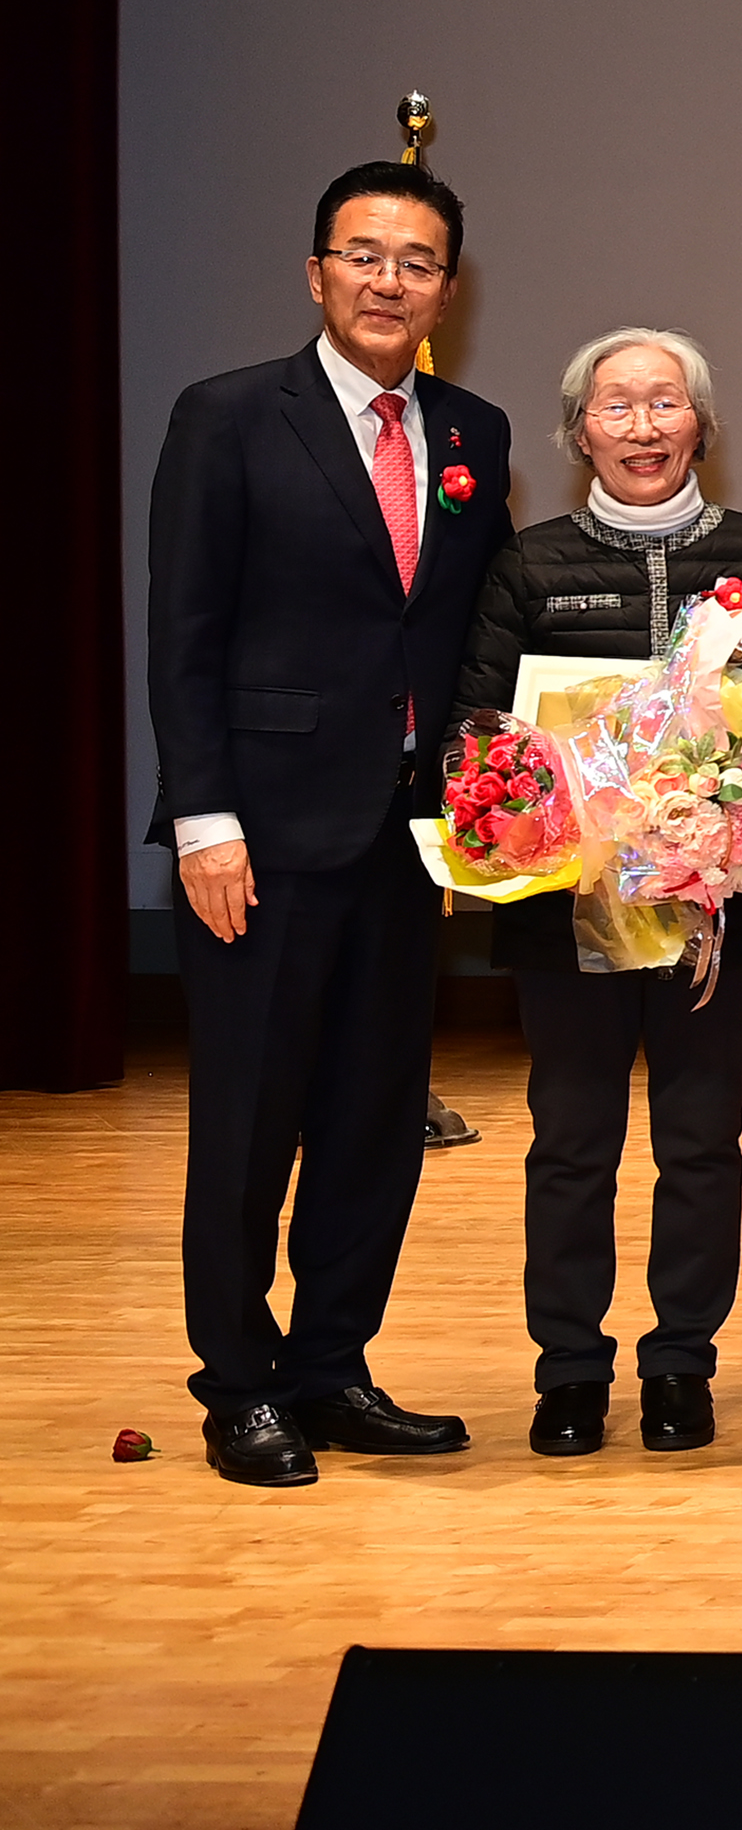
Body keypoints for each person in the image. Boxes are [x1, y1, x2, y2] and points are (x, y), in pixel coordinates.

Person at [147, 161, 513, 1487]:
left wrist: (495, 815)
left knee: (371, 1120)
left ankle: (333, 1366)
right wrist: (202, 816)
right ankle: (238, 1384)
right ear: (317, 273)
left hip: (406, 843)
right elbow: (183, 633)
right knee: (249, 1123)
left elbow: (476, 640)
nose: (389, 280)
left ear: (448, 293)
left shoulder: (474, 435)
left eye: (417, 262)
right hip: (260, 835)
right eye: (365, 255)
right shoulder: (231, 418)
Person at [457, 327, 742, 1457]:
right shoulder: (527, 564)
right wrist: (535, 800)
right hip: (570, 911)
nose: (644, 426)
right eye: (617, 407)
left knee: (702, 1141)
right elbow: (481, 735)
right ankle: (568, 1370)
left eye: (665, 404)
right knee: (571, 1142)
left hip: (718, 904)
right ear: (579, 433)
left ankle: (680, 1365)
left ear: (701, 424)